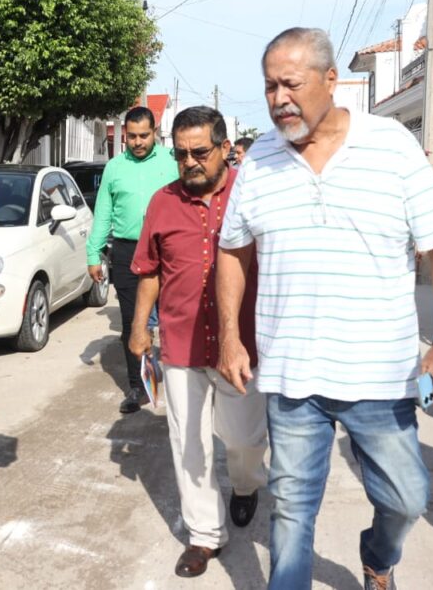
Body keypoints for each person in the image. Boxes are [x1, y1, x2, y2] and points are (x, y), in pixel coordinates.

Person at [217, 28, 433, 590]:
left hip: (379, 374)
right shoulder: (258, 160)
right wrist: (232, 336)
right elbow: (232, 253)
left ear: (332, 81)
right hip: (291, 376)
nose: (279, 98)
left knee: (407, 498)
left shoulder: (391, 145)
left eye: (291, 84)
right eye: (269, 86)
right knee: (291, 514)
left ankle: (378, 555)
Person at [130, 106, 267, 578]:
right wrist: (138, 328)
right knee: (189, 444)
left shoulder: (253, 195)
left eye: (200, 153)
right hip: (182, 342)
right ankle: (205, 535)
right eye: (182, 154)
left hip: (242, 347)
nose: (189, 162)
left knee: (245, 439)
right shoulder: (162, 202)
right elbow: (148, 271)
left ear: (225, 149)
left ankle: (247, 487)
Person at [86, 105, 179, 413]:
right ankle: (138, 387)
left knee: (174, 319)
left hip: (169, 250)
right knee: (131, 322)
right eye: (132, 137)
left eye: (144, 136)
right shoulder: (114, 167)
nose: (138, 142)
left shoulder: (172, 161)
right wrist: (93, 253)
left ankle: (184, 381)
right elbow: (103, 213)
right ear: (124, 135)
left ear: (155, 133)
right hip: (126, 252)